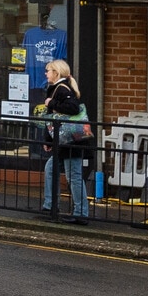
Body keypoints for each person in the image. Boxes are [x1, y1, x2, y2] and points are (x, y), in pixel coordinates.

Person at [38, 58, 92, 223]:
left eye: (48, 70)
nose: (46, 73)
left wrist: (50, 102)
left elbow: (72, 107)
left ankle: (81, 213)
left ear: (56, 72)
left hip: (71, 142)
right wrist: (48, 141)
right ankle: (50, 206)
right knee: (51, 168)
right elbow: (53, 119)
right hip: (65, 141)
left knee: (74, 175)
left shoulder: (62, 89)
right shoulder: (57, 88)